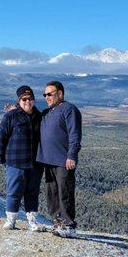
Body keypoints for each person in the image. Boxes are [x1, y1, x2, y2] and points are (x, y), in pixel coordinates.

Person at [36, 80, 82, 237]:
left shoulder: (69, 110)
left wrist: (72, 155)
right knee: (52, 194)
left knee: (65, 192)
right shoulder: (47, 112)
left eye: (50, 94)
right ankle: (57, 224)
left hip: (64, 161)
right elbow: (29, 115)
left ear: (60, 93)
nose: (47, 97)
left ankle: (69, 226)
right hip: (48, 161)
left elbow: (75, 135)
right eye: (45, 95)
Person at [0, 85, 44, 231]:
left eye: (30, 99)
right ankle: (11, 221)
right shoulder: (11, 116)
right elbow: (1, 137)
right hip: (15, 162)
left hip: (35, 163)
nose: (28, 102)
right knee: (14, 192)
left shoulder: (40, 117)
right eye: (24, 99)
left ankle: (32, 222)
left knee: (32, 193)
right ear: (19, 100)